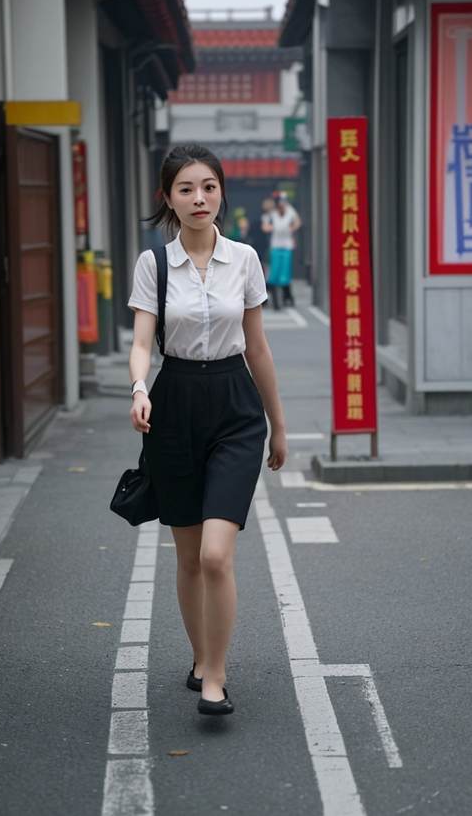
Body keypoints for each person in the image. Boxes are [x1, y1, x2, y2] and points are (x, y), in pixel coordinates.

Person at [127, 144, 288, 716]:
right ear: (167, 198)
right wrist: (140, 388)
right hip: (173, 406)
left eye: (209, 187)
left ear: (221, 191)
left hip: (235, 408)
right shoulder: (154, 265)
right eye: (187, 189)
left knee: (219, 555)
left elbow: (259, 347)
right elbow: (143, 341)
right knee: (190, 555)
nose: (200, 198)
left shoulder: (245, 258)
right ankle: (200, 657)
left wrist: (279, 426)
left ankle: (216, 677)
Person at [262, 191, 302, 310]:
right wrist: (272, 227)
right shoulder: (272, 213)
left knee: (285, 275)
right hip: (275, 246)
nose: (281, 205)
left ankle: (287, 297)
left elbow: (297, 222)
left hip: (287, 246)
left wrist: (291, 228)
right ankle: (274, 297)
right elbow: (264, 226)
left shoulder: (290, 211)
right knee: (274, 274)